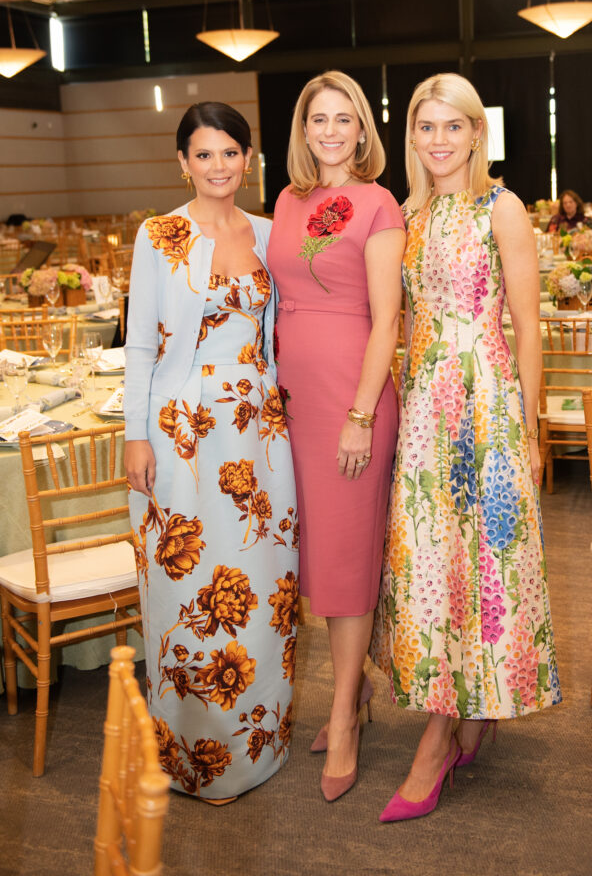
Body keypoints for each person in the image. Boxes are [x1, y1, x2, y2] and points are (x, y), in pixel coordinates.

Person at [371, 73, 562, 823]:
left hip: (485, 410)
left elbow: (524, 326)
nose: (439, 140)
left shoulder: (501, 207)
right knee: (428, 562)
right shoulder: (406, 214)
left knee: (483, 562)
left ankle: (436, 740)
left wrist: (532, 429)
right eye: (426, 128)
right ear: (412, 137)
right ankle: (463, 708)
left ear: (476, 134)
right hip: (424, 411)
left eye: (453, 127)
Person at [124, 102, 298, 803]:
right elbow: (139, 343)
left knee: (262, 592)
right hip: (183, 432)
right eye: (204, 154)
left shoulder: (269, 231)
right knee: (191, 590)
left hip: (259, 432)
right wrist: (135, 434)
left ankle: (261, 743)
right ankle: (197, 760)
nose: (218, 166)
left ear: (249, 158)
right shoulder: (159, 234)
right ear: (182, 162)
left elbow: (281, 334)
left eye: (230, 152)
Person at [267, 71, 405, 802]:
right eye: (317, 118)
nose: (329, 130)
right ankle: (353, 697)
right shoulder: (286, 203)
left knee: (348, 563)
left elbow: (386, 319)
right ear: (303, 128)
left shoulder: (379, 203)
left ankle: (344, 717)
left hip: (352, 401)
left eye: (342, 119)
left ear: (361, 130)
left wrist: (359, 413)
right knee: (316, 560)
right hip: (292, 403)